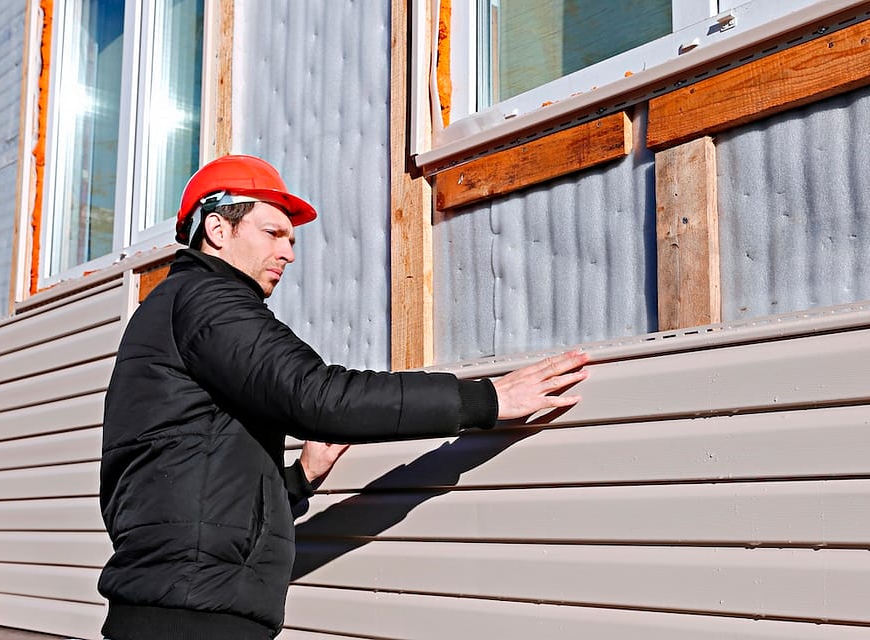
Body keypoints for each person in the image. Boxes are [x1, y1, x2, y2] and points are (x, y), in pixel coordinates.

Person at [97, 155, 589, 639]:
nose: (289, 252)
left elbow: (191, 480)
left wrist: (300, 480)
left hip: (174, 607)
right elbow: (318, 397)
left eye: (291, 240)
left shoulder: (171, 310)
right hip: (191, 621)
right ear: (218, 230)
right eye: (273, 233)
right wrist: (488, 399)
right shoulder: (206, 301)